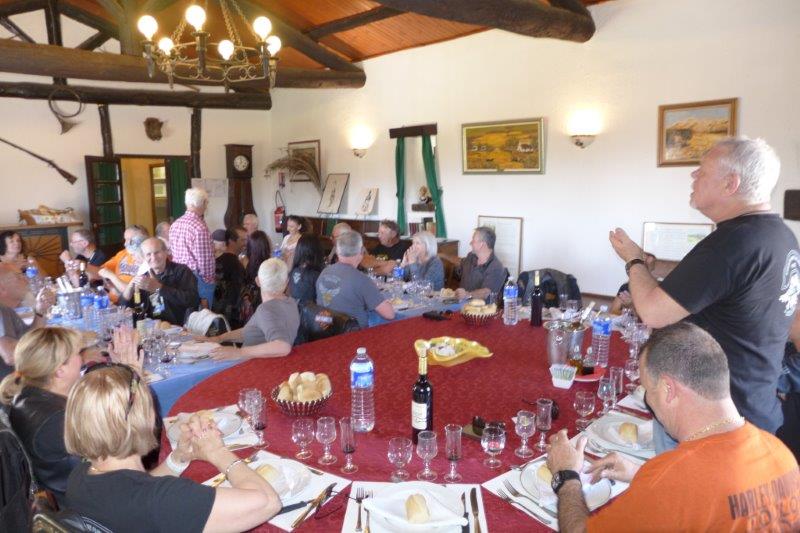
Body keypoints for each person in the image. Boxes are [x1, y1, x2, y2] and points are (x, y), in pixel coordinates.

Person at [609, 137, 800, 438]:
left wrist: (633, 260)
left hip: (713, 421)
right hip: (755, 404)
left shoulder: (732, 243)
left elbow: (653, 313)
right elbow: (723, 284)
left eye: (703, 169)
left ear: (730, 183)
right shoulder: (777, 235)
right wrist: (652, 267)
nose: (693, 174)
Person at [546, 322, 800, 532]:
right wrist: (642, 474)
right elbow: (715, 495)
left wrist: (566, 476)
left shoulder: (675, 479)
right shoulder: (781, 453)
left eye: (648, 390)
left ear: (668, 389)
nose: (648, 400)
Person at [64, 364, 281, 533]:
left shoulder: (80, 477)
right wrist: (217, 452)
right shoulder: (164, 500)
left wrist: (178, 458)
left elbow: (134, 489)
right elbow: (267, 502)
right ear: (145, 419)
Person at [0, 327, 82, 505]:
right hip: (78, 505)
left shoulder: (26, 395)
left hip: (62, 493)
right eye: (77, 353)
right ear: (59, 370)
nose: (81, 358)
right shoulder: (57, 420)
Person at [209, 259, 300, 360]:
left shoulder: (266, 310)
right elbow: (251, 331)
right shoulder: (290, 302)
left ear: (258, 281)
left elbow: (283, 347)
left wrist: (239, 352)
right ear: (286, 282)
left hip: (253, 364)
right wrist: (220, 338)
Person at [316, 231, 394, 328]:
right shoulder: (361, 279)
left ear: (337, 252)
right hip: (354, 332)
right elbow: (390, 314)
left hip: (326, 330)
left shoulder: (324, 272)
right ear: (361, 251)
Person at [119, 238, 199, 326]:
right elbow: (134, 309)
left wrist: (159, 288)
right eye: (148, 254)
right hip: (150, 327)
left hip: (176, 326)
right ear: (144, 257)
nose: (153, 258)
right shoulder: (144, 277)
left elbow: (192, 301)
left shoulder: (182, 271)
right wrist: (129, 289)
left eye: (157, 252)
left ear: (166, 252)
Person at [0, 265, 53, 378]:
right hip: (14, 382)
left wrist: (40, 310)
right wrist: (51, 350)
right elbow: (10, 356)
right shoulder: (1, 311)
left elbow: (28, 337)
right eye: (18, 277)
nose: (26, 280)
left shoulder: (8, 310)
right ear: (2, 288)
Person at [169, 188, 216, 308]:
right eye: (206, 202)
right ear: (202, 203)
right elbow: (205, 261)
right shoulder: (199, 227)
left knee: (187, 312)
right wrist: (210, 281)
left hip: (179, 275)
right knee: (203, 316)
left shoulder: (175, 224)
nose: (207, 206)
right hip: (197, 278)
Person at [95, 225, 149, 303]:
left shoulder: (148, 264)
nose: (125, 244)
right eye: (125, 239)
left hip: (129, 303)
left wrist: (112, 277)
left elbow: (135, 295)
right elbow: (101, 271)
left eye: (130, 240)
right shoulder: (123, 254)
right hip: (116, 301)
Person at [454, 226, 507, 300]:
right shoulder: (471, 256)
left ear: (482, 244)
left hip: (480, 307)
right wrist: (442, 255)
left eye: (473, 240)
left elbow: (486, 292)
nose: (470, 243)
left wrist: (467, 295)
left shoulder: (496, 267)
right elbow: (460, 262)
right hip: (458, 303)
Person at [212, 229, 246, 329]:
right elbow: (239, 292)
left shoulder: (215, 262)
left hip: (215, 313)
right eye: (241, 240)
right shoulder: (236, 265)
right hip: (232, 316)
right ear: (231, 241)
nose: (244, 244)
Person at [239, 230, 273, 325]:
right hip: (263, 300)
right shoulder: (269, 264)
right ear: (266, 246)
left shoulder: (245, 262)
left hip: (249, 300)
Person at [288, 234, 324, 307]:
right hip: (308, 312)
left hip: (292, 310)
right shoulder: (315, 275)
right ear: (317, 252)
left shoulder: (293, 271)